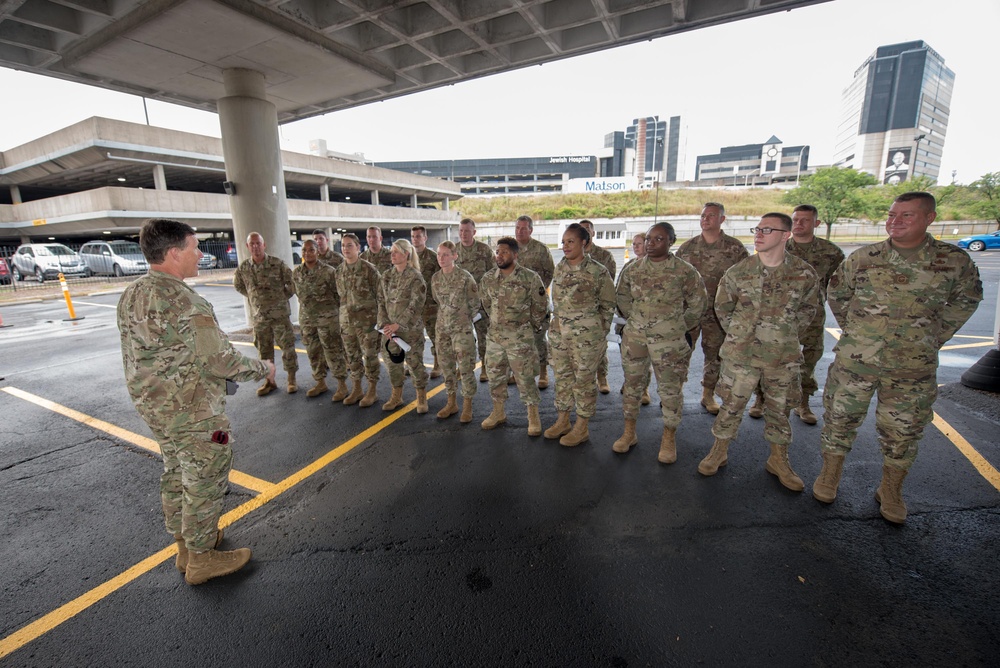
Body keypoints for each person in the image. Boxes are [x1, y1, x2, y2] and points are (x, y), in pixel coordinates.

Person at [117, 218, 274, 585]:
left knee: (176, 470)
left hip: (155, 407)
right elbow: (220, 360)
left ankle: (185, 546)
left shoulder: (133, 293)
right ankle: (202, 557)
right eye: (194, 247)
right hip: (192, 411)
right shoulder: (184, 300)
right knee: (205, 474)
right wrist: (262, 368)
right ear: (174, 253)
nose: (201, 253)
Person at [814, 192, 983, 524]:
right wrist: (856, 330)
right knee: (839, 418)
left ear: (929, 218)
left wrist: (936, 335)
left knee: (903, 429)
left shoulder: (953, 261)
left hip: (912, 365)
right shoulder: (865, 257)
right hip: (857, 360)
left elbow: (968, 298)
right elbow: (837, 292)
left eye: (906, 216)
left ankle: (890, 490)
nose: (895, 222)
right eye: (892, 215)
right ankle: (829, 475)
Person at [697, 214, 820, 492]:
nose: (759, 234)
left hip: (782, 357)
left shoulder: (803, 273)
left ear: (785, 235)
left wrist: (782, 333)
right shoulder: (739, 272)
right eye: (757, 229)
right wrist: (743, 335)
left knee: (780, 410)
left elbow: (809, 310)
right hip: (742, 354)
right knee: (731, 405)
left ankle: (778, 459)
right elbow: (723, 309)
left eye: (767, 229)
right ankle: (719, 450)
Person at [614, 222, 707, 463]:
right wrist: (633, 318)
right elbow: (621, 296)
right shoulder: (632, 269)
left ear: (670, 242)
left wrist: (678, 325)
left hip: (669, 342)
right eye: (648, 239)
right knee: (632, 385)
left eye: (659, 239)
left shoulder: (684, 271)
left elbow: (698, 302)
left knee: (670, 390)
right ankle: (629, 432)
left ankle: (668, 437)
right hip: (635, 338)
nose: (651, 244)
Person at [544, 223, 616, 447]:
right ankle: (563, 420)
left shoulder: (597, 271)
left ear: (584, 243)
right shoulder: (560, 268)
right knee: (563, 379)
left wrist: (597, 333)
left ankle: (582, 427)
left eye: (571, 241)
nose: (565, 246)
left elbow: (608, 305)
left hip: (586, 338)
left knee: (584, 382)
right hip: (560, 335)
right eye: (563, 242)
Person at [676, 202, 749, 415]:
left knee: (714, 355)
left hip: (718, 314)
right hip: (689, 311)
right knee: (681, 352)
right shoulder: (687, 248)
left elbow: (744, 282)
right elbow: (675, 279)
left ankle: (708, 394)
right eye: (703, 215)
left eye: (711, 215)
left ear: (722, 220)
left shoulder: (735, 249)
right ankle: (676, 392)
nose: (705, 219)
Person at [782, 204, 845, 424]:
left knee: (809, 360)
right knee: (773, 360)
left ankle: (803, 402)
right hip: (781, 317)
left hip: (814, 317)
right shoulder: (779, 248)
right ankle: (762, 400)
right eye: (795, 219)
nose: (798, 224)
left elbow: (839, 286)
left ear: (816, 223)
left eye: (804, 220)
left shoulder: (831, 252)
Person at [479, 237, 548, 435]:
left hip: (520, 338)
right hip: (495, 338)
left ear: (515, 255)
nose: (499, 255)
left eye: (504, 252)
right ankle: (498, 412)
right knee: (495, 377)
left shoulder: (530, 278)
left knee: (525, 378)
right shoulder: (488, 278)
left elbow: (541, 305)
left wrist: (529, 326)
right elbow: (486, 303)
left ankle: (533, 416)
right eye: (497, 252)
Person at [233, 232, 298, 395]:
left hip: (279, 316)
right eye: (252, 244)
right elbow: (239, 286)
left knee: (288, 349)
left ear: (264, 244)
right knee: (264, 351)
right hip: (260, 317)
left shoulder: (277, 264)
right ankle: (270, 381)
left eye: (258, 243)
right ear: (247, 247)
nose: (255, 247)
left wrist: (281, 298)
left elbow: (292, 283)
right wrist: (254, 298)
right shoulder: (244, 268)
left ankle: (291, 379)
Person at [377, 239, 429, 413]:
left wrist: (398, 325)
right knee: (392, 363)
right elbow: (381, 303)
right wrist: (385, 326)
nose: (392, 255)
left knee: (415, 364)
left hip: (410, 330)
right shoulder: (386, 276)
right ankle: (396, 396)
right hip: (390, 331)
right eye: (391, 251)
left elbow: (416, 305)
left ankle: (421, 397)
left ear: (406, 254)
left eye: (396, 252)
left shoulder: (416, 277)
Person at [292, 239, 348, 401]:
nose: (307, 253)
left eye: (311, 250)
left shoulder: (329, 271)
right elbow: (297, 293)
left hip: (328, 320)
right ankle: (320, 382)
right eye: (304, 250)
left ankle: (342, 385)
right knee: (313, 352)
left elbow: (338, 295)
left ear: (317, 252)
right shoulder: (296, 273)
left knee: (333, 351)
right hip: (307, 320)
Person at [431, 241, 480, 423]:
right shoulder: (435, 278)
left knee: (466, 368)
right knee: (446, 367)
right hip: (442, 329)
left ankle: (467, 405)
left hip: (462, 330)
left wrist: (463, 318)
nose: (441, 258)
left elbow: (475, 302)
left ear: (454, 256)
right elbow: (437, 300)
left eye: (445, 254)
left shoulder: (465, 277)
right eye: (438, 254)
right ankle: (451, 402)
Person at [336, 233, 383, 408]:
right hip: (347, 323)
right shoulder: (339, 271)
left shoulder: (369, 269)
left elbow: (380, 295)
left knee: (370, 356)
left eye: (349, 245)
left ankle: (372, 390)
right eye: (343, 245)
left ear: (357, 247)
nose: (345, 249)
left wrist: (379, 321)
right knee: (352, 356)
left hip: (367, 323)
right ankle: (357, 388)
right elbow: (340, 296)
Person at [514, 215, 556, 389]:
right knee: (517, 340)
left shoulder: (541, 249)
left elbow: (549, 272)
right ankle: (520, 373)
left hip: (536, 303)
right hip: (515, 303)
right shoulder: (509, 248)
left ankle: (543, 372)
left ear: (531, 230)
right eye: (517, 228)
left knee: (538, 338)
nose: (520, 231)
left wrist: (536, 292)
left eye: (523, 228)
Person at [454, 217, 496, 382]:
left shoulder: (484, 250)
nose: (464, 234)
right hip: (460, 304)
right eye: (461, 231)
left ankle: (485, 368)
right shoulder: (454, 251)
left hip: (480, 303)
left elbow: (494, 274)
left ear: (474, 232)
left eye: (467, 231)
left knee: (483, 336)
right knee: (461, 339)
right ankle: (462, 368)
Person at [579, 219, 616, 394]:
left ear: (593, 233)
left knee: (600, 346)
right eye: (581, 229)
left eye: (588, 229)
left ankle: (602, 377)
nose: (585, 232)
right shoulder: (571, 256)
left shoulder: (605, 256)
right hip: (578, 313)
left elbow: (609, 285)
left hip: (597, 311)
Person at [617, 232, 651, 406]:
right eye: (634, 243)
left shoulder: (655, 267)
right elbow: (621, 292)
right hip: (630, 321)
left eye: (639, 243)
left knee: (646, 359)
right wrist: (631, 316)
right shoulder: (630, 266)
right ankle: (628, 382)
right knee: (628, 357)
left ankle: (643, 388)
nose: (635, 246)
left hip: (651, 323)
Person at [411, 226, 442, 379]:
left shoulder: (433, 257)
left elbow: (440, 280)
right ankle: (416, 364)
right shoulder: (408, 257)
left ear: (425, 237)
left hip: (430, 304)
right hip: (413, 306)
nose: (415, 239)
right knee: (415, 337)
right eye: (413, 236)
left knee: (434, 335)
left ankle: (437, 364)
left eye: (418, 236)